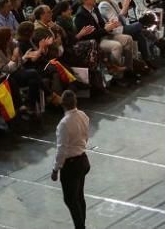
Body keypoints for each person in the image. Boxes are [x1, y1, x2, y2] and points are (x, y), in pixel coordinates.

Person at [52, 89, 90, 229]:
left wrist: (56, 169)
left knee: (70, 199)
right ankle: (82, 224)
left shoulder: (64, 124)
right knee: (79, 196)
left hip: (71, 165)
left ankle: (80, 227)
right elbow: (86, 136)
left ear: (63, 104)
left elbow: (61, 149)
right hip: (83, 160)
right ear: (75, 102)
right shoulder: (83, 115)